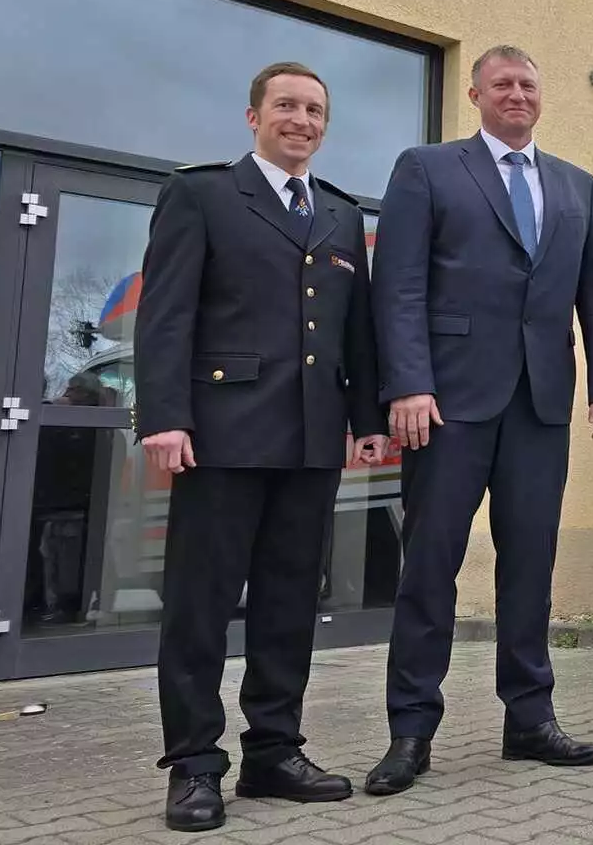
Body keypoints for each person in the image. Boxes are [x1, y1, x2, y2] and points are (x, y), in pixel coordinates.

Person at [363, 45, 593, 795]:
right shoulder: (428, 169)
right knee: (431, 568)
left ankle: (529, 719)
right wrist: (407, 384)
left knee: (530, 566)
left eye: (528, 85)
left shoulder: (576, 185)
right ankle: (411, 730)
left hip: (541, 403)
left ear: (542, 97)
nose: (516, 94)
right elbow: (400, 286)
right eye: (502, 84)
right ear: (474, 93)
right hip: (448, 403)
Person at [135, 62, 388, 832]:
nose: (302, 120)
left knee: (286, 605)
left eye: (315, 110)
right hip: (221, 433)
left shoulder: (341, 215)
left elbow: (356, 330)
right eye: (286, 105)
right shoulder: (203, 193)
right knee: (200, 605)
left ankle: (274, 751)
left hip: (311, 439)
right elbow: (166, 314)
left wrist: (367, 416)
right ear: (253, 117)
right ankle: (194, 764)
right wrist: (164, 417)